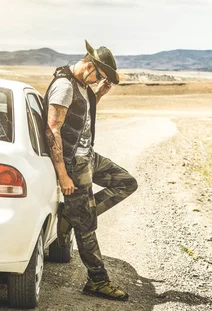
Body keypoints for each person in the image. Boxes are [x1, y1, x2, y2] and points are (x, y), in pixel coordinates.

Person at [44, 40, 137, 301]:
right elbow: (53, 129)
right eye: (100, 74)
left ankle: (71, 216)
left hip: (88, 157)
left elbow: (80, 114)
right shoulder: (63, 86)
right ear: (88, 64)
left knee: (126, 183)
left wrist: (99, 91)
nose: (100, 78)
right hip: (74, 163)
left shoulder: (82, 85)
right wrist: (63, 174)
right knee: (86, 225)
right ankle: (97, 280)